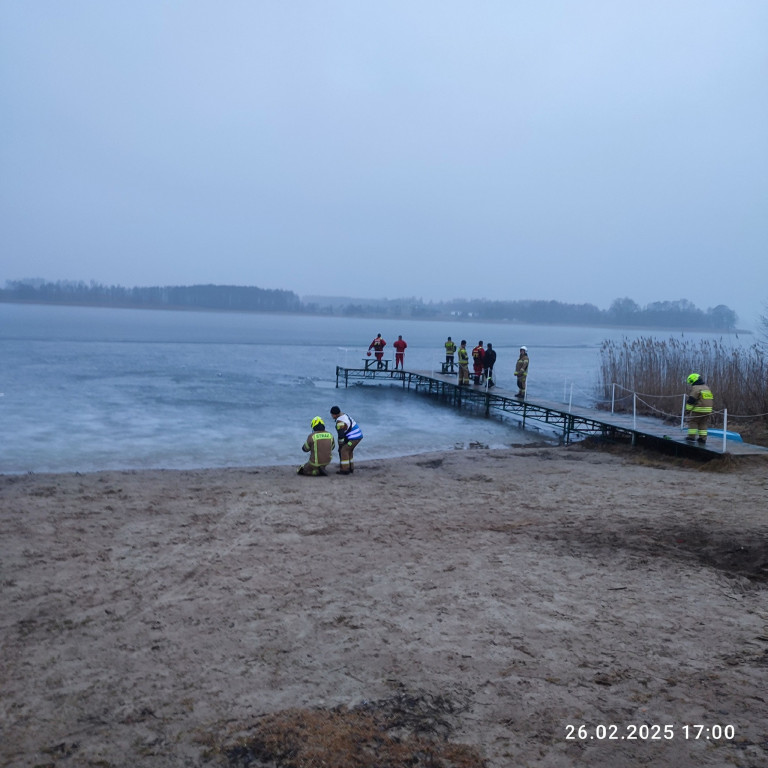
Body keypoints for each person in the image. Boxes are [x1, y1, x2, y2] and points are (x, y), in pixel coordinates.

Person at [330, 405, 363, 474]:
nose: (331, 416)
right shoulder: (344, 415)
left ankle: (345, 470)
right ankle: (351, 467)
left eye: (332, 415)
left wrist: (340, 445)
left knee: (344, 450)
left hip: (354, 438)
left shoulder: (340, 422)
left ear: (334, 415)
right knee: (349, 450)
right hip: (357, 436)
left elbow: (341, 436)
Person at [685, 373, 714, 444]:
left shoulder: (696, 388)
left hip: (699, 409)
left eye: (691, 382)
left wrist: (687, 410)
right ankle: (702, 439)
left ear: (694, 380)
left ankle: (691, 437)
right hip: (708, 410)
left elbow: (692, 399)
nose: (691, 384)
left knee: (693, 421)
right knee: (703, 423)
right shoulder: (706, 388)